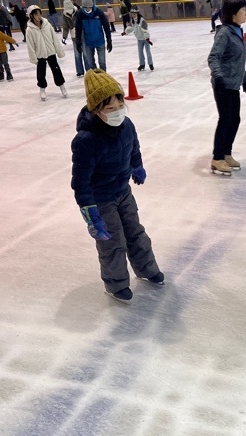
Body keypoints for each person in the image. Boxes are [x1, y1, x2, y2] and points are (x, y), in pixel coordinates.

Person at [71, 69, 164, 303]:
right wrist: (91, 214)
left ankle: (146, 268)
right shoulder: (85, 140)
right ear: (96, 111)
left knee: (136, 233)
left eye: (120, 104)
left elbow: (134, 148)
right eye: (109, 109)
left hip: (123, 191)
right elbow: (80, 182)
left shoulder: (127, 125)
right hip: (101, 198)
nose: (117, 112)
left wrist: (137, 165)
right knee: (112, 243)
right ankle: (116, 284)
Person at [207, 0, 246, 175]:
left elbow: (236, 60)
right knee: (226, 119)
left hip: (233, 83)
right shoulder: (224, 33)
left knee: (235, 119)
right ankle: (217, 158)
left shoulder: (237, 32)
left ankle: (226, 154)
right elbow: (213, 57)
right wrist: (219, 77)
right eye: (243, 9)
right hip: (223, 84)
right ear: (234, 13)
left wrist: (245, 79)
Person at [26, 4, 67, 100]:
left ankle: (62, 86)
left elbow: (54, 39)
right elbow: (30, 46)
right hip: (40, 54)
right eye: (36, 14)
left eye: (40, 14)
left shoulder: (47, 25)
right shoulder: (29, 29)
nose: (39, 16)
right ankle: (42, 89)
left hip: (50, 52)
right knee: (41, 73)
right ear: (31, 16)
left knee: (56, 70)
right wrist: (33, 58)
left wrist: (59, 51)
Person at [75, 0, 113, 72]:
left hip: (100, 41)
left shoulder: (99, 12)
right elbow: (78, 29)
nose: (88, 9)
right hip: (88, 42)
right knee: (91, 64)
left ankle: (103, 78)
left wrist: (109, 41)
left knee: (102, 62)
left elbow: (106, 27)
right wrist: (78, 42)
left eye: (89, 7)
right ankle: (96, 79)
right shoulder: (80, 14)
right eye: (86, 7)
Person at [62, 0, 85, 77]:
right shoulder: (65, 15)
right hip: (74, 37)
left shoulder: (79, 11)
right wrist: (64, 37)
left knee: (86, 53)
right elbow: (65, 27)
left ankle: (89, 70)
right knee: (77, 54)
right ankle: (80, 71)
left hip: (83, 35)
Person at [126, 6, 153, 71]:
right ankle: (142, 64)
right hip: (139, 39)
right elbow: (130, 28)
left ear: (137, 13)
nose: (133, 15)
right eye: (132, 14)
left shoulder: (142, 20)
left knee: (148, 52)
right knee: (140, 52)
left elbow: (145, 29)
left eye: (134, 14)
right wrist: (125, 32)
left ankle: (150, 64)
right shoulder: (132, 20)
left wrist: (147, 38)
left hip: (145, 39)